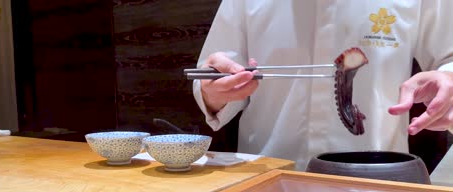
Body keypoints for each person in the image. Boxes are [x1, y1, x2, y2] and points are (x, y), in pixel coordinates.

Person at [193, 0, 453, 170]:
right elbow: (215, 76)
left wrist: (448, 81)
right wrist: (214, 91)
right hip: (265, 178)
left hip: (375, 180)